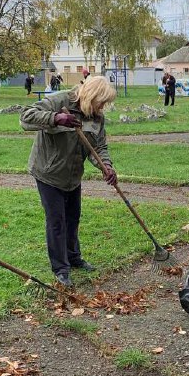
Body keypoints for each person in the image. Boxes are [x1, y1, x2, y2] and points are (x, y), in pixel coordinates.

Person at [20, 76, 118, 288]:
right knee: (57, 220)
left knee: (73, 217)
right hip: (48, 172)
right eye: (101, 102)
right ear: (91, 96)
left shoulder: (96, 117)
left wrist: (106, 167)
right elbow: (25, 118)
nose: (103, 107)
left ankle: (74, 258)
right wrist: (55, 118)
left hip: (73, 175)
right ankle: (60, 268)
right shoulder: (59, 101)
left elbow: (99, 147)